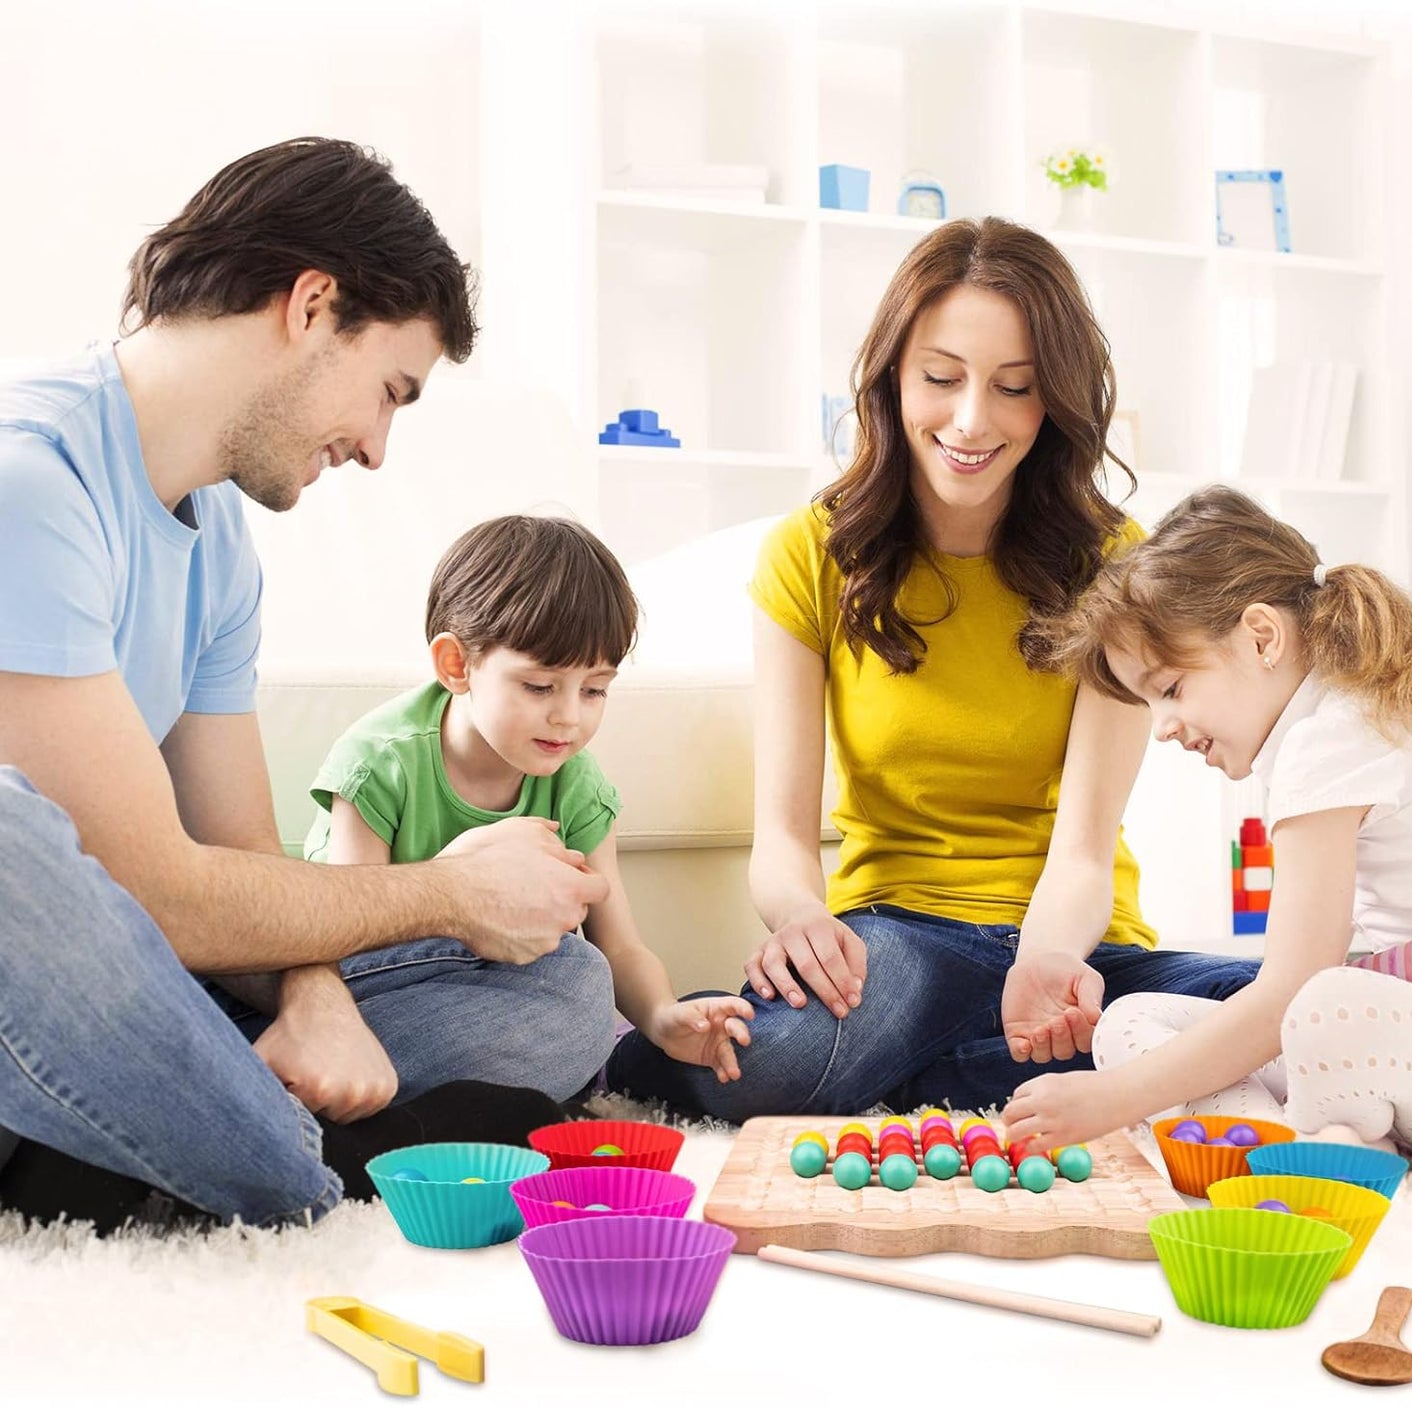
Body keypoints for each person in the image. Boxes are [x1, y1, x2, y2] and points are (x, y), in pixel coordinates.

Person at [0, 138, 613, 1235]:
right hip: (38, 960)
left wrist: (315, 996)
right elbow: (162, 896)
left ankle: (143, 1145)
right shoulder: (28, 481)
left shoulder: (219, 535)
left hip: (131, 986)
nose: (377, 448)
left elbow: (236, 864)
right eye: (389, 391)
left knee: (561, 991)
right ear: (313, 305)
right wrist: (447, 891)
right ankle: (284, 1164)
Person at [605, 217, 1260, 1119]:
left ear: (1054, 399)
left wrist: (1044, 961)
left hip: (1072, 950)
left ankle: (957, 1073)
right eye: (940, 378)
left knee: (1286, 1006)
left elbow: (1082, 847)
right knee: (779, 1060)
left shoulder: (1114, 562)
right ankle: (1041, 1073)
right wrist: (802, 923)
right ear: (891, 378)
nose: (970, 420)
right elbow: (784, 842)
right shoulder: (810, 552)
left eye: (1014, 388)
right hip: (898, 948)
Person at [1002, 486, 1412, 1155]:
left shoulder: (1331, 739)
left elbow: (1287, 993)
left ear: (1261, 635)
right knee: (1132, 1020)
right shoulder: (1337, 717)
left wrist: (1111, 1100)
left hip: (1394, 1034)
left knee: (1318, 1009)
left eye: (1170, 688)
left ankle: (1317, 1143)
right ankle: (1297, 1143)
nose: (1163, 727)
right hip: (1400, 1039)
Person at [305, 515, 754, 1084]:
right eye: (540, 686)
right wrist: (459, 878)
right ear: (457, 665)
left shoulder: (577, 784)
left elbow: (619, 945)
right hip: (369, 993)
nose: (569, 715)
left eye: (594, 690)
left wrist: (663, 1018)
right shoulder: (380, 762)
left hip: (494, 997)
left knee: (581, 982)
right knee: (573, 994)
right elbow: (347, 942)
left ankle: (440, 1099)